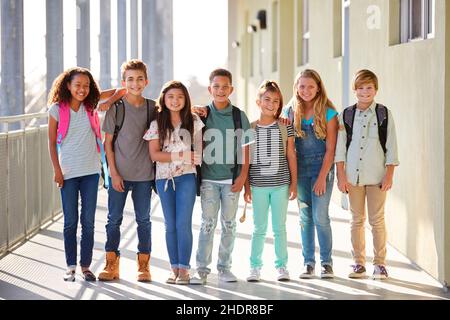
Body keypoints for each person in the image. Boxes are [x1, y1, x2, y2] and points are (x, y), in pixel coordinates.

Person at [48, 67, 124, 282]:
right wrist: (57, 171)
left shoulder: (91, 105)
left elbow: (121, 90)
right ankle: (70, 266)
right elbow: (51, 143)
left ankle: (85, 266)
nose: (82, 89)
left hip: (91, 171)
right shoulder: (56, 110)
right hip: (68, 173)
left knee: (88, 222)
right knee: (70, 222)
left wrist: (108, 101)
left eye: (86, 85)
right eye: (77, 85)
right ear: (67, 86)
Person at [190, 68, 254, 284]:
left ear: (231, 89)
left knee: (229, 224)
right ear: (209, 89)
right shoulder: (202, 114)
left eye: (225, 86)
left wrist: (243, 177)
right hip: (208, 179)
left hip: (231, 180)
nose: (220, 90)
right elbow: (177, 111)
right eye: (216, 86)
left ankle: (224, 267)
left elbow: (247, 148)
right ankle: (202, 269)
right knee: (207, 223)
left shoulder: (239, 116)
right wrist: (193, 108)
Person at [335, 69, 399, 280]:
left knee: (377, 220)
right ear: (355, 90)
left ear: (375, 89)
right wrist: (341, 175)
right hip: (353, 177)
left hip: (378, 176)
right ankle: (358, 263)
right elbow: (340, 148)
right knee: (356, 219)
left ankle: (379, 264)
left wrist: (389, 174)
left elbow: (391, 145)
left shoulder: (383, 113)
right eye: (360, 88)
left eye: (369, 87)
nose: (365, 91)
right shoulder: (346, 114)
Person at [98, 59, 156, 282]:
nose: (135, 83)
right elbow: (107, 143)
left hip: (144, 176)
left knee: (144, 220)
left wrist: (194, 108)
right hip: (119, 175)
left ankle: (144, 266)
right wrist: (113, 172)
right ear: (124, 82)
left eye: (140, 79)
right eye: (130, 79)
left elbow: (175, 110)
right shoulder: (117, 108)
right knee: (113, 219)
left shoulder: (153, 107)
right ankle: (112, 264)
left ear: (146, 81)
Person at [144, 80, 203, 285]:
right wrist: (181, 155)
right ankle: (174, 268)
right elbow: (154, 155)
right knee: (170, 225)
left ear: (185, 99)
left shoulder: (194, 120)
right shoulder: (156, 123)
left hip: (187, 177)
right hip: (164, 180)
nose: (175, 100)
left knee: (183, 223)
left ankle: (184, 270)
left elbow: (197, 155)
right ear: (163, 99)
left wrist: (189, 156)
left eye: (179, 96)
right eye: (170, 97)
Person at [282, 69, 338, 279]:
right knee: (305, 218)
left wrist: (323, 176)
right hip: (300, 168)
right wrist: (292, 180)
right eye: (302, 86)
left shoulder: (329, 112)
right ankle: (308, 263)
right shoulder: (290, 112)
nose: (306, 90)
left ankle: (326, 263)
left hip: (322, 168)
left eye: (311, 86)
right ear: (296, 87)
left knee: (320, 216)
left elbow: (331, 150)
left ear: (318, 88)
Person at [243, 80, 297, 282]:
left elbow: (291, 155)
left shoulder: (286, 126)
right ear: (258, 101)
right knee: (259, 228)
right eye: (267, 99)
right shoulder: (250, 128)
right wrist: (247, 187)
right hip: (258, 186)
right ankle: (254, 267)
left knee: (279, 228)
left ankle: (281, 266)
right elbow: (246, 161)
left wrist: (293, 183)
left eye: (276, 101)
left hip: (281, 185)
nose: (271, 104)